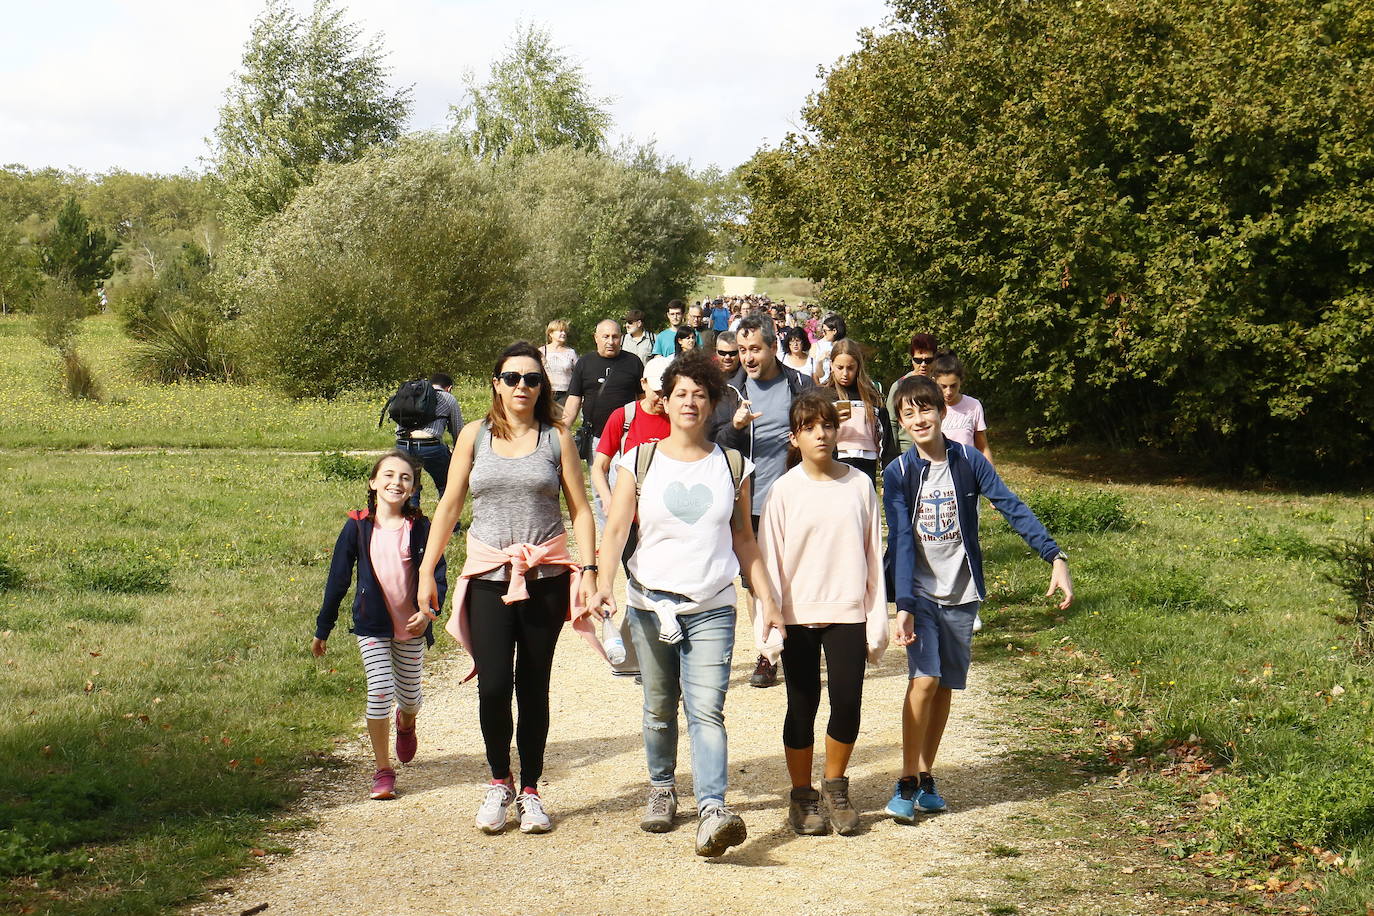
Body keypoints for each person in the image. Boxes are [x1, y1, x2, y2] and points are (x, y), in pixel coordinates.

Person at [590, 350, 785, 857]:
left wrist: (769, 601)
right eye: (682, 393)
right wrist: (602, 583)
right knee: (658, 707)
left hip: (713, 603)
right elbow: (615, 530)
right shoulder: (639, 460)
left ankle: (713, 808)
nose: (691, 402)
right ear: (665, 399)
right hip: (650, 602)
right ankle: (661, 788)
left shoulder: (733, 464)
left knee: (707, 710)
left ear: (714, 403)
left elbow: (745, 540)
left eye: (701, 394)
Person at [417, 342, 601, 835]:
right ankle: (499, 780)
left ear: (543, 387)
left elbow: (580, 509)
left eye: (532, 379)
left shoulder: (556, 436)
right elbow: (450, 505)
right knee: (495, 684)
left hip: (545, 577)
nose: (522, 386)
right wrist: (426, 570)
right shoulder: (474, 436)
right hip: (488, 577)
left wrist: (589, 569)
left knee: (533, 684)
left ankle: (532, 790)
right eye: (512, 377)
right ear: (495, 383)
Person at [882, 375, 1073, 822]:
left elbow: (1010, 504)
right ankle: (907, 779)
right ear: (901, 423)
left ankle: (927, 776)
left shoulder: (968, 461)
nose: (918, 418)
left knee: (946, 684)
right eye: (908, 413)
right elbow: (902, 538)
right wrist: (904, 603)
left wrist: (1054, 555)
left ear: (942, 410)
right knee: (924, 680)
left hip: (962, 592)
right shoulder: (899, 472)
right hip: (922, 594)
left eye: (924, 408)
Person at [758, 394, 887, 836]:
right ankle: (801, 795)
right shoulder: (783, 490)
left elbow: (873, 555)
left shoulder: (859, 486)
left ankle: (834, 786)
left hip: (847, 609)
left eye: (827, 425)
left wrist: (876, 617)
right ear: (795, 437)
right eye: (810, 426)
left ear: (837, 431)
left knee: (848, 701)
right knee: (802, 703)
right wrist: (770, 619)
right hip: (796, 614)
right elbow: (769, 560)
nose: (820, 434)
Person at [313, 450, 448, 801]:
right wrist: (323, 628)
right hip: (371, 626)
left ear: (414, 487)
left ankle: (407, 721)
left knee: (411, 698)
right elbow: (338, 579)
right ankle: (383, 769)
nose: (396, 482)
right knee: (380, 692)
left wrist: (430, 612)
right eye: (388, 475)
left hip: (413, 627)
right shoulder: (357, 525)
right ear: (373, 483)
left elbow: (438, 576)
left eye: (405, 477)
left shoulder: (420, 527)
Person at [713, 316, 815, 688]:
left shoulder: (800, 384)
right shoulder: (728, 392)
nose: (748, 357)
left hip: (796, 498)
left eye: (755, 349)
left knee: (796, 575)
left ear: (773, 346)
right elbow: (715, 443)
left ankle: (800, 645)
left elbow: (821, 428)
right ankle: (767, 653)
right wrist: (736, 428)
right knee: (756, 583)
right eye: (742, 351)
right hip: (749, 501)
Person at [590, 356, 673, 677]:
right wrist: (609, 501)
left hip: (666, 520)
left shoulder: (678, 418)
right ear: (643, 386)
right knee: (642, 583)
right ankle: (642, 657)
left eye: (666, 391)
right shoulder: (623, 417)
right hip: (631, 521)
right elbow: (599, 467)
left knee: (657, 585)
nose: (661, 398)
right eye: (656, 391)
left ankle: (643, 657)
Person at [564, 320, 645, 524]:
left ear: (621, 338)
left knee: (622, 488)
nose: (611, 341)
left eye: (615, 337)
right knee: (600, 491)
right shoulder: (584, 363)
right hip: (596, 438)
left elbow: (643, 399)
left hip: (626, 438)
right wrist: (561, 430)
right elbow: (574, 399)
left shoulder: (633, 362)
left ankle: (625, 537)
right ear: (596, 338)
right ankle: (607, 535)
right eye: (605, 337)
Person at [816, 340, 891, 483]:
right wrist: (829, 419)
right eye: (840, 367)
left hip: (866, 463)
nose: (845, 373)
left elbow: (885, 438)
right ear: (831, 365)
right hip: (833, 460)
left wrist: (887, 473)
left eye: (850, 368)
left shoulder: (872, 397)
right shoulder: (822, 395)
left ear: (858, 367)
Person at [394, 373, 464, 512]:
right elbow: (458, 431)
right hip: (430, 446)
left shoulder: (411, 395)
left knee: (410, 483)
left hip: (403, 444)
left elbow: (398, 427)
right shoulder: (448, 398)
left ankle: (411, 521)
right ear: (449, 388)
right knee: (446, 484)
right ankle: (452, 527)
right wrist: (460, 454)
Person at [931, 354, 992, 463]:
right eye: (943, 386)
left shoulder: (974, 406)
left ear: (961, 381)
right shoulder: (930, 408)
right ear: (934, 381)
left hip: (968, 469)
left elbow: (983, 447)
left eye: (953, 386)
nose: (948, 392)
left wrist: (991, 477)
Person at [887, 332, 940, 456]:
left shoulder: (941, 386)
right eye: (918, 360)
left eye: (928, 360)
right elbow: (892, 422)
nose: (923, 365)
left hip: (937, 449)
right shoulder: (899, 386)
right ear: (911, 359)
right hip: (907, 451)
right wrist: (891, 455)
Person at [538, 319, 578, 408]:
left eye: (564, 331)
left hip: (565, 394)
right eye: (560, 331)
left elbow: (578, 373)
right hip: (546, 394)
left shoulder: (571, 353)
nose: (563, 333)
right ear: (551, 334)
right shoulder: (541, 351)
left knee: (562, 420)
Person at [812, 315, 846, 385]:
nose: (823, 333)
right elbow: (820, 375)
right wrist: (820, 361)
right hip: (827, 387)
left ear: (834, 331)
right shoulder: (822, 347)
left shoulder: (846, 347)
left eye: (825, 331)